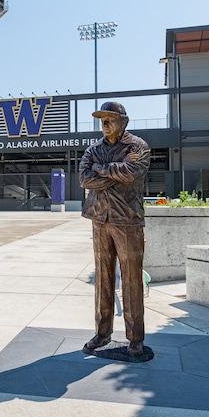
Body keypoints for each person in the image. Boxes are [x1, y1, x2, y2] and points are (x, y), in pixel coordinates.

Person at [79, 101, 151, 357]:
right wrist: (112, 173)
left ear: (123, 120)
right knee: (103, 277)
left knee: (131, 278)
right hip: (99, 219)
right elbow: (84, 179)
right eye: (101, 119)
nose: (104, 123)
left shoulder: (137, 146)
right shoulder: (93, 148)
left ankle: (135, 338)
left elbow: (131, 173)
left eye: (109, 118)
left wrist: (102, 170)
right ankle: (102, 332)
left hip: (127, 220)